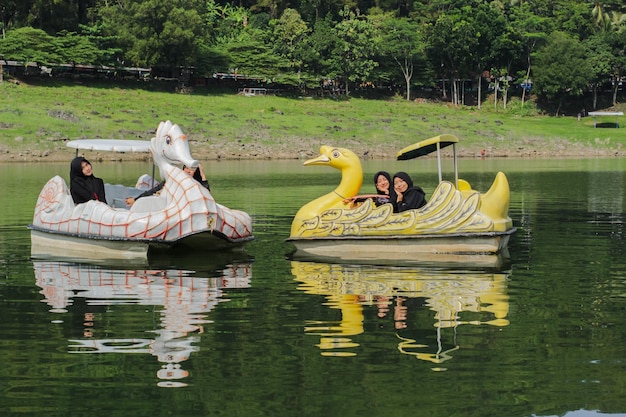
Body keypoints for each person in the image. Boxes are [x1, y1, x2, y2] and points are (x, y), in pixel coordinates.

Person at [125, 163, 210, 207]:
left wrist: (202, 174)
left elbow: (207, 194)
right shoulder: (173, 180)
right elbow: (153, 191)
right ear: (183, 169)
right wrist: (136, 199)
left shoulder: (197, 184)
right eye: (186, 168)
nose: (188, 171)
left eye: (191, 170)